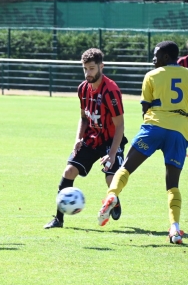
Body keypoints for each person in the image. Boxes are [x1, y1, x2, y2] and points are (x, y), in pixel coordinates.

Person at [98, 41, 188, 244]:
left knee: (126, 167)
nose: (153, 58)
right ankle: (175, 229)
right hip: (179, 132)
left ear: (166, 57)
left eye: (156, 55)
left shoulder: (151, 76)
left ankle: (112, 195)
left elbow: (145, 108)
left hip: (153, 127)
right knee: (172, 184)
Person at [44, 48, 127, 229]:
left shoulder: (111, 91)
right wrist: (78, 138)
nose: (88, 73)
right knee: (68, 172)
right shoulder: (82, 89)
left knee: (110, 179)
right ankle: (59, 219)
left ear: (100, 66)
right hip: (90, 138)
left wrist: (112, 154)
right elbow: (83, 117)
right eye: (85, 69)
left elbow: (120, 125)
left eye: (91, 68)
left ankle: (115, 200)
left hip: (110, 141)